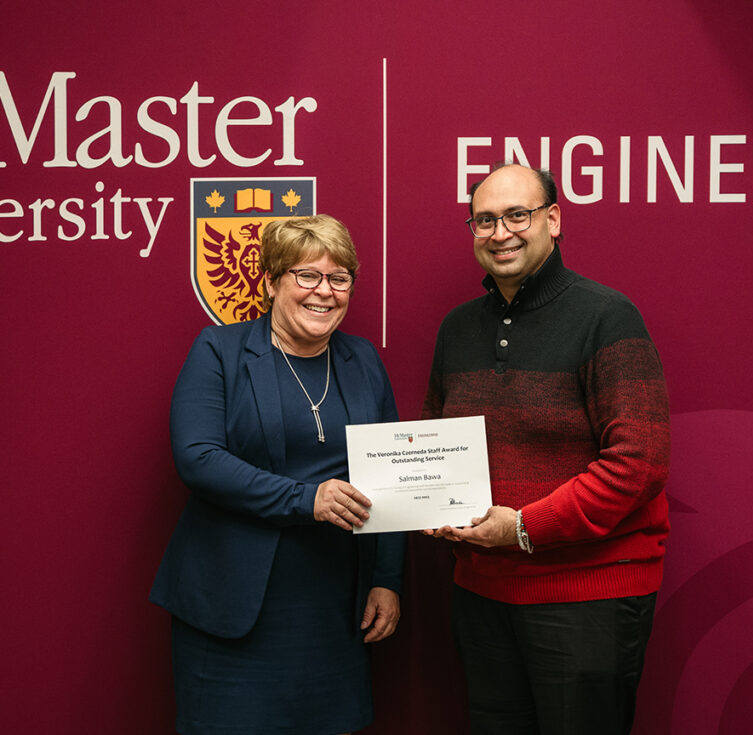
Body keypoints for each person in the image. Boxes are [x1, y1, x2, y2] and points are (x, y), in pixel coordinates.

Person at [422, 164, 670, 735]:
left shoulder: (607, 317)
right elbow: (435, 440)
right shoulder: (457, 329)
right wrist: (427, 506)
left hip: (586, 597)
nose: (500, 232)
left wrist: (524, 527)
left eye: (517, 215)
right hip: (482, 594)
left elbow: (639, 463)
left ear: (553, 220)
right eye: (484, 220)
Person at [150, 214, 405, 735]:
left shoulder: (362, 361)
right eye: (306, 276)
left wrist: (386, 579)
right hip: (232, 606)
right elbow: (197, 457)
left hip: (335, 608)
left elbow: (392, 474)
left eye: (339, 279)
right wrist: (304, 498)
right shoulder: (219, 351)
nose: (324, 292)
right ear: (271, 282)